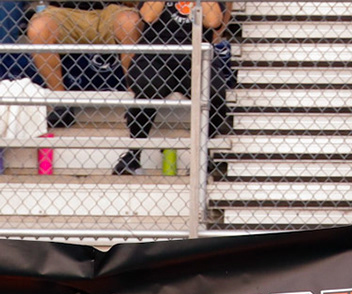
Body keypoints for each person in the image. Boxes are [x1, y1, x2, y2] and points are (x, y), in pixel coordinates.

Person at [117, 0, 229, 176]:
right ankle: (133, 153)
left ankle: (202, 157)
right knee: (147, 84)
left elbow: (213, 21)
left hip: (195, 58)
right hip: (156, 55)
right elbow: (149, 15)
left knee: (214, 90)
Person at [27, 1, 140, 129]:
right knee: (39, 28)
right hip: (63, 10)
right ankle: (60, 103)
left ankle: (135, 102)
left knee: (129, 22)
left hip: (109, 9)